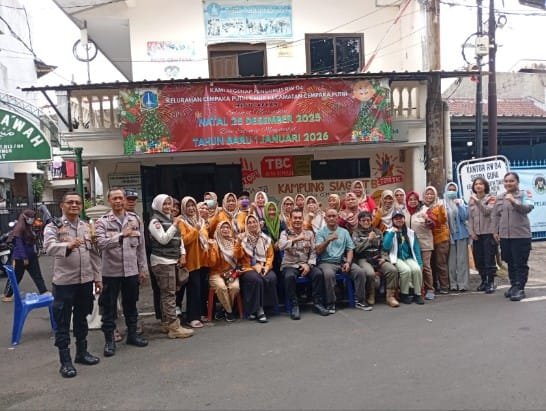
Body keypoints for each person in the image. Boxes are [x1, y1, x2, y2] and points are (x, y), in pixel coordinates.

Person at [43, 192, 101, 378]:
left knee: (82, 318)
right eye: (70, 202)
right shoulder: (54, 226)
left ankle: (82, 353)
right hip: (64, 283)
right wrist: (67, 246)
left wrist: (98, 278)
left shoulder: (86, 227)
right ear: (62, 205)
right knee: (62, 321)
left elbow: (94, 254)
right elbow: (48, 247)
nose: (74, 205)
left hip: (85, 281)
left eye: (77, 202)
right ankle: (65, 361)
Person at [95, 188, 149, 357]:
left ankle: (132, 335)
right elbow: (100, 244)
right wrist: (120, 235)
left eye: (120, 198)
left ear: (125, 200)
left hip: (131, 271)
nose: (118, 201)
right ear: (109, 201)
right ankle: (110, 340)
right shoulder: (103, 222)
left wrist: (143, 268)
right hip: (111, 272)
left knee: (131, 304)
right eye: (114, 198)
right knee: (109, 307)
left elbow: (141, 246)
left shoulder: (135, 219)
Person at [148, 194, 193, 339]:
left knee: (167, 294)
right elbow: (163, 239)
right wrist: (175, 225)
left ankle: (166, 323)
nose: (168, 207)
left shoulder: (169, 219)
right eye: (165, 204)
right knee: (169, 295)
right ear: (158, 205)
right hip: (162, 262)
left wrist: (182, 253)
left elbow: (179, 239)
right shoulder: (155, 221)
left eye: (169, 204)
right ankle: (174, 327)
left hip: (171, 260)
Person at [277, 208, 329, 319]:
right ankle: (294, 305)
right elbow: (281, 246)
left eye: (299, 218)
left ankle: (317, 303)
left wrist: (309, 265)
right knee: (289, 277)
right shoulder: (284, 233)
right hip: (290, 264)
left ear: (302, 219)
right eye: (295, 218)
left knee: (318, 274)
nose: (297, 220)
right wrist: (296, 239)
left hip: (306, 264)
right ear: (290, 219)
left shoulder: (309, 233)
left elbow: (313, 252)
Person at [316, 208, 369, 313]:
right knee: (328, 275)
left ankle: (360, 300)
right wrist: (328, 240)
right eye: (329, 216)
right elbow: (318, 251)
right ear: (325, 219)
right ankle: (331, 303)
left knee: (360, 272)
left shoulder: (344, 232)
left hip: (342, 261)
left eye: (334, 216)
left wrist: (348, 262)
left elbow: (350, 249)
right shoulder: (320, 232)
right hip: (326, 262)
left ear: (337, 218)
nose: (331, 218)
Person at [493, 172, 534, 301]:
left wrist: (514, 201)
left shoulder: (524, 194)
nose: (508, 183)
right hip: (505, 236)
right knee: (510, 262)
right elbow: (496, 216)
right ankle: (514, 285)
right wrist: (495, 231)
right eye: (506, 181)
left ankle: (520, 288)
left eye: (511, 181)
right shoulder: (500, 197)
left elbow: (527, 208)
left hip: (521, 235)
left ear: (517, 182)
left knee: (520, 263)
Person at [235, 214, 278, 323]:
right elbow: (237, 256)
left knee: (271, 277)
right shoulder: (242, 239)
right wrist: (239, 242)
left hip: (263, 265)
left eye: (254, 222)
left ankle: (267, 307)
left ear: (258, 223)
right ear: (246, 225)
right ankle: (258, 309)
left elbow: (270, 256)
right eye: (249, 222)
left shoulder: (265, 238)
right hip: (248, 268)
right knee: (256, 279)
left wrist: (267, 267)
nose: (252, 224)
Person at [352, 211, 400, 308]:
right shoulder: (356, 233)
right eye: (363, 220)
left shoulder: (378, 232)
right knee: (370, 273)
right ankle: (371, 294)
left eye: (368, 220)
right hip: (364, 258)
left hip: (378, 258)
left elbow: (383, 248)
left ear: (371, 221)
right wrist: (368, 240)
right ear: (359, 222)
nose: (366, 222)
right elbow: (357, 249)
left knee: (392, 270)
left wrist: (384, 258)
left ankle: (390, 297)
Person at [2, 209, 49, 302]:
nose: (32, 219)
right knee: (16, 277)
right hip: (20, 258)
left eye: (33, 217)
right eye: (30, 217)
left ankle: (43, 291)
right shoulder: (19, 228)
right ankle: (7, 295)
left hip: (32, 256)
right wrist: (24, 258)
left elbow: (34, 239)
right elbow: (19, 245)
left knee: (37, 275)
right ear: (25, 217)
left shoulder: (29, 227)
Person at [177, 196, 209, 328]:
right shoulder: (181, 221)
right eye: (188, 206)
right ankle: (192, 317)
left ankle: (199, 314)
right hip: (190, 261)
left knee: (199, 289)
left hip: (202, 260)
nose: (191, 208)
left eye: (192, 206)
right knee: (192, 290)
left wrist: (200, 232)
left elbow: (205, 235)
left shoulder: (200, 220)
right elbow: (183, 240)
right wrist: (195, 230)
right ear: (183, 208)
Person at [383, 210, 424, 305]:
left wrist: (419, 262)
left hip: (408, 257)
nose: (399, 220)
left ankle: (417, 294)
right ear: (393, 220)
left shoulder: (410, 232)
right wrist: (392, 233)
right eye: (396, 218)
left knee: (417, 269)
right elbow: (385, 247)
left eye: (400, 218)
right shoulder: (389, 231)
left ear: (404, 219)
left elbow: (416, 248)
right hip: (396, 257)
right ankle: (404, 294)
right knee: (406, 270)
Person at [468, 177, 497, 293]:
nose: (478, 186)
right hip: (477, 235)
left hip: (488, 233)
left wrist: (477, 201)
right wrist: (472, 232)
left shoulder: (491, 198)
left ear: (485, 186)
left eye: (481, 184)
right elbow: (470, 217)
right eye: (476, 184)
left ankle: (491, 282)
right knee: (479, 259)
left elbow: (487, 211)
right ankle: (484, 281)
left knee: (489, 259)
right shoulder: (471, 200)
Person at [207, 221, 241, 322]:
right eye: (222, 227)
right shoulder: (214, 243)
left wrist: (239, 243)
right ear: (218, 229)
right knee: (221, 287)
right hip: (216, 273)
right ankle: (229, 312)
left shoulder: (234, 242)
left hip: (231, 273)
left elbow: (239, 256)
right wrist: (212, 249)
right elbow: (212, 263)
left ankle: (224, 309)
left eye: (227, 227)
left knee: (235, 287)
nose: (225, 229)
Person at [406, 191, 436, 300]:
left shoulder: (425, 210)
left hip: (424, 243)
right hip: (410, 245)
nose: (412, 201)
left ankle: (430, 289)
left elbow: (433, 224)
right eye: (410, 200)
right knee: (415, 267)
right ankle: (418, 289)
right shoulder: (405, 211)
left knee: (426, 267)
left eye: (415, 199)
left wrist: (428, 220)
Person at [423, 185, 450, 294]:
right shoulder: (423, 207)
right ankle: (433, 284)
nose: (429, 196)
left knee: (440, 263)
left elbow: (443, 220)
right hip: (428, 239)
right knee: (430, 264)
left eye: (431, 194)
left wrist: (441, 212)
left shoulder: (439, 206)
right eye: (427, 194)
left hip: (441, 238)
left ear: (435, 195)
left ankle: (444, 286)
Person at [444, 182, 470, 292]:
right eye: (449, 189)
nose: (451, 191)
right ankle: (453, 284)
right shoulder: (443, 203)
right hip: (448, 236)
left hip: (461, 234)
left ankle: (463, 284)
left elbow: (465, 217)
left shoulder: (461, 202)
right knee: (451, 262)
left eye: (453, 189)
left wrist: (459, 205)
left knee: (462, 261)